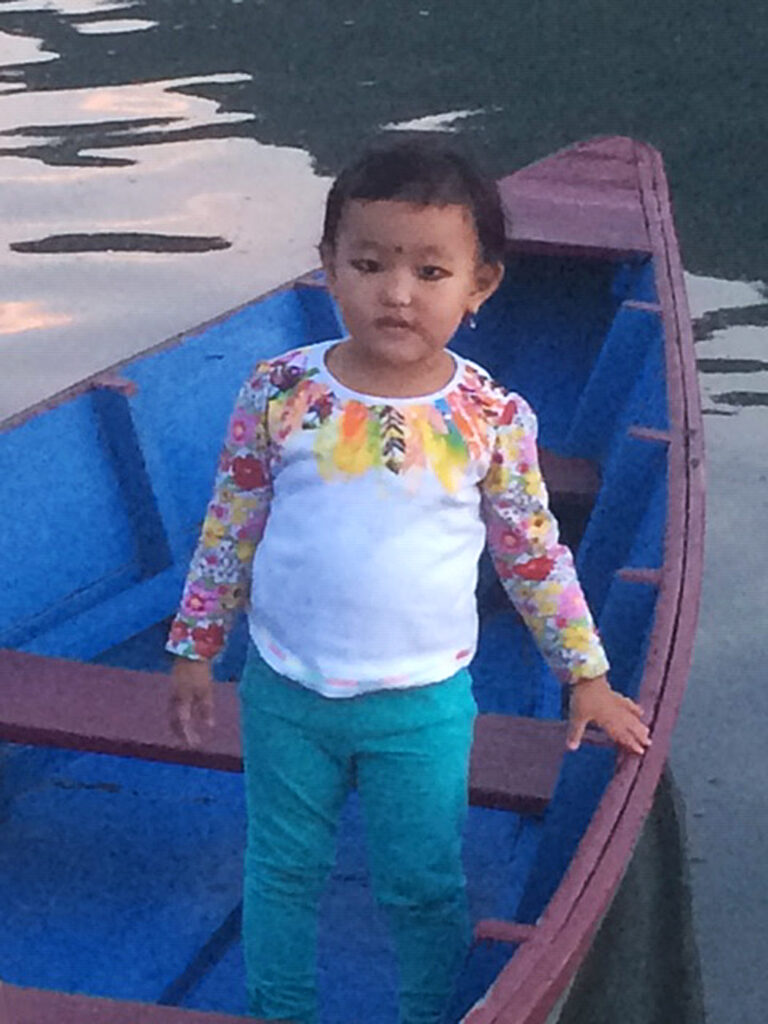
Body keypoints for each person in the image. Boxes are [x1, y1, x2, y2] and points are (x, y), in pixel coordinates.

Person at [166, 137, 651, 1024]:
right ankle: (282, 1013)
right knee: (281, 871)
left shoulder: (490, 417)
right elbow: (231, 523)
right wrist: (195, 649)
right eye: (369, 263)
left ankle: (430, 1013)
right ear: (328, 268)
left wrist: (587, 675)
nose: (397, 291)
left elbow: (532, 552)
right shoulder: (279, 391)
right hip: (285, 691)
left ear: (480, 286)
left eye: (431, 270)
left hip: (420, 706)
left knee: (421, 881)